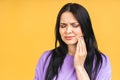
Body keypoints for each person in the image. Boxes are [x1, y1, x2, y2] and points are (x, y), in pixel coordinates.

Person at [34, 3, 112, 80]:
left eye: (75, 25)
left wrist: (79, 67)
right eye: (63, 26)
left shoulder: (102, 62)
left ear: (85, 28)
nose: (68, 31)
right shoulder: (46, 58)